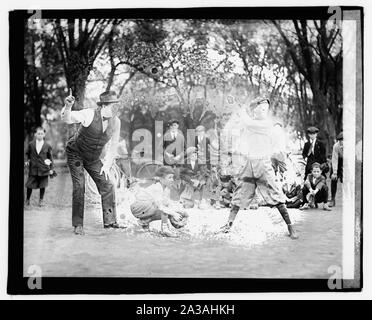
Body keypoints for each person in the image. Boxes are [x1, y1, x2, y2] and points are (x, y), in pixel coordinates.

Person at [218, 96, 299, 239]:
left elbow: (247, 122)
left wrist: (240, 108)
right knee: (239, 194)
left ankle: (290, 226)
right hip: (249, 164)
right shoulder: (249, 123)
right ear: (254, 110)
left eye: (265, 109)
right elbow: (239, 129)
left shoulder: (266, 124)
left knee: (276, 195)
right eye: (260, 109)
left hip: (263, 164)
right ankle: (228, 224)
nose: (263, 111)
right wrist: (236, 108)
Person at [61, 89, 122, 235]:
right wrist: (68, 106)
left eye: (117, 106)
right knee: (79, 186)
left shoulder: (116, 121)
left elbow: (113, 146)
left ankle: (110, 221)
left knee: (108, 184)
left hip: (93, 158)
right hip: (75, 153)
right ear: (104, 106)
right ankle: (78, 225)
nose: (116, 108)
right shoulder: (89, 113)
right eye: (113, 105)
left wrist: (107, 165)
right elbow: (68, 119)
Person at [130, 166, 188, 237]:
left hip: (147, 207)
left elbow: (168, 203)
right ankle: (165, 229)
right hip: (138, 207)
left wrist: (177, 211)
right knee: (164, 208)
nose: (172, 180)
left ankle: (144, 222)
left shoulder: (167, 189)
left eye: (172, 178)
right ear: (161, 179)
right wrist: (173, 214)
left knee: (166, 207)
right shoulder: (157, 188)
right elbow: (161, 207)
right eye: (169, 177)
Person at [25, 127, 54, 207]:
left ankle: (41, 201)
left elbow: (50, 158)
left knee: (43, 185)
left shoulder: (47, 145)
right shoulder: (31, 144)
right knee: (29, 185)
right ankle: (27, 200)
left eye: (41, 133)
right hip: (33, 168)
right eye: (38, 133)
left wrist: (51, 169)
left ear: (44, 135)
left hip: (44, 168)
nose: (40, 135)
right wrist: (27, 161)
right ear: (35, 134)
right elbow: (27, 153)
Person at [329, 132, 343, 207]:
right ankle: (332, 199)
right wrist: (334, 172)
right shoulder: (336, 146)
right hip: (338, 160)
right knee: (333, 179)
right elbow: (334, 160)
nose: (342, 143)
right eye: (340, 141)